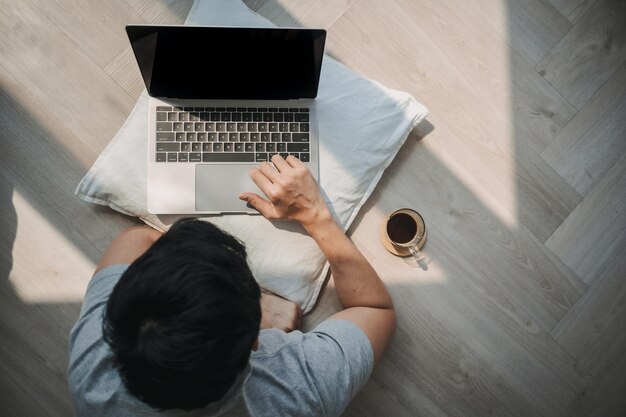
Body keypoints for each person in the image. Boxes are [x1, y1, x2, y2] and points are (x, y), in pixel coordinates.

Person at [68, 155, 396, 417]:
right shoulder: (297, 391)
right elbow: (373, 309)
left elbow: (137, 239)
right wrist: (316, 217)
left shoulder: (92, 367)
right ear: (254, 341)